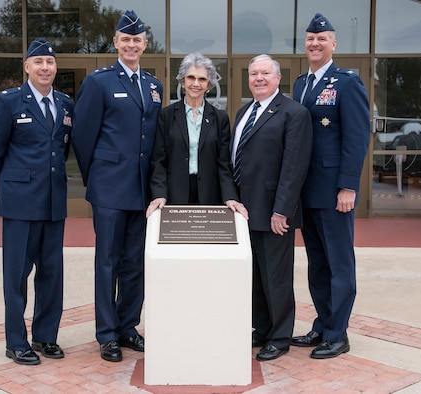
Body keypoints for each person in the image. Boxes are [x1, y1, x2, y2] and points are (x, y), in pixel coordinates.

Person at [71, 10, 163, 362]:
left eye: (137, 40)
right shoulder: (99, 82)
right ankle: (106, 334)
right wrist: (95, 178)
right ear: (116, 43)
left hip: (141, 192)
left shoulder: (153, 85)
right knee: (107, 263)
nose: (132, 45)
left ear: (144, 44)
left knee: (134, 263)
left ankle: (127, 327)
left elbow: (152, 140)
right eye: (126, 39)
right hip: (109, 189)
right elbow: (82, 137)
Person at [0, 38, 74, 365]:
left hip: (52, 203)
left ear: (55, 67)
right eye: (38, 63)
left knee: (52, 274)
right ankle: (16, 341)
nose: (45, 68)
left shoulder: (64, 104)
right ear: (27, 67)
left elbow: (61, 151)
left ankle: (46, 336)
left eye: (49, 62)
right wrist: (9, 189)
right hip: (20, 205)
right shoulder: (8, 102)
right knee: (16, 275)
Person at [291, 13, 370, 359]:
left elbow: (356, 138)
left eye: (322, 39)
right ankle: (322, 325)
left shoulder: (347, 83)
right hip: (307, 191)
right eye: (310, 38)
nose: (315, 43)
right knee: (317, 263)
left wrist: (348, 187)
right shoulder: (299, 84)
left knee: (339, 264)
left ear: (333, 44)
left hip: (334, 192)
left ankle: (338, 333)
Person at [231, 54, 312, 361]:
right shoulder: (243, 112)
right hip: (245, 211)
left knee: (276, 277)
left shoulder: (293, 112)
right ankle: (262, 328)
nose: (259, 78)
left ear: (279, 78)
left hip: (274, 212)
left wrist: (283, 210)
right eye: (254, 74)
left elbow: (294, 167)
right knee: (253, 275)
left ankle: (280, 335)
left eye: (265, 73)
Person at [146, 52, 247, 219]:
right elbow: (158, 161)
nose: (196, 83)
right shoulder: (166, 115)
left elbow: (223, 164)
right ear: (183, 82)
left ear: (209, 85)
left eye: (202, 79)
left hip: (209, 194)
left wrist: (230, 196)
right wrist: (159, 194)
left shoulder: (220, 118)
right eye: (191, 77)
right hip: (174, 194)